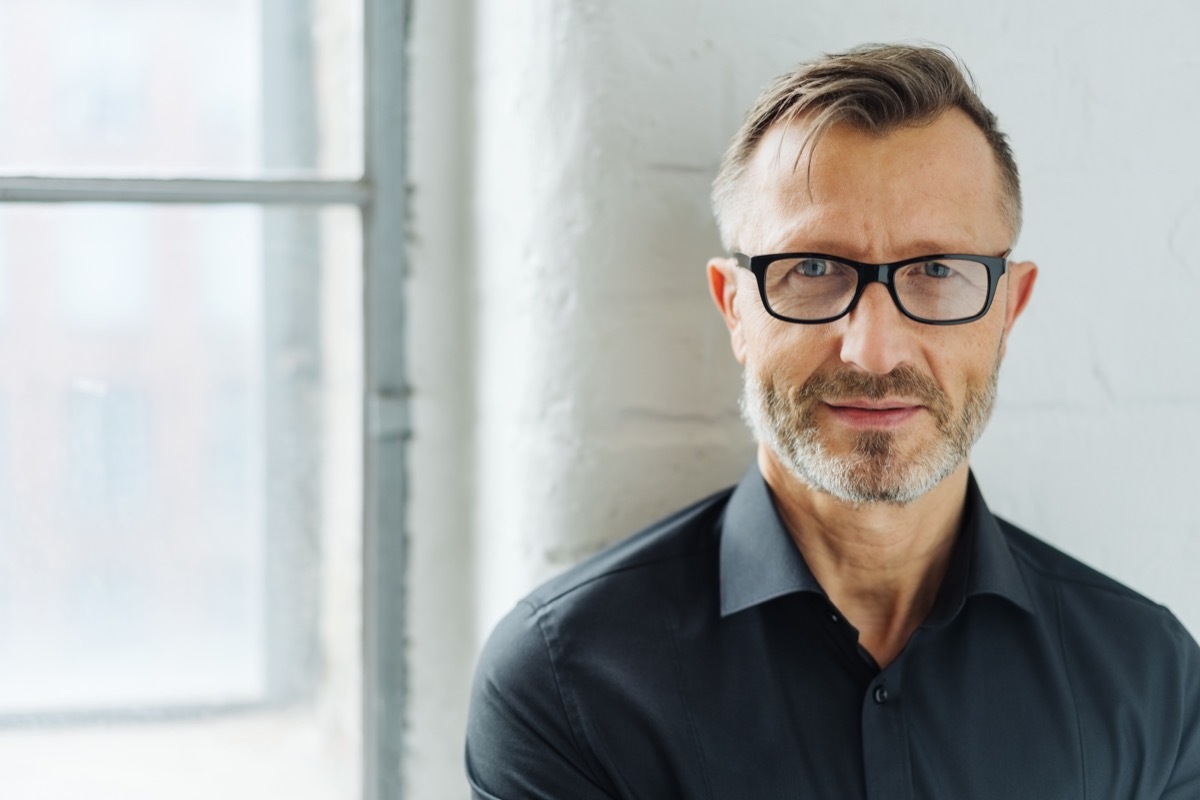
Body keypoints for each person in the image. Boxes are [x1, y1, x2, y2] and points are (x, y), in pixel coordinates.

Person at [465, 43, 1200, 799]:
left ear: (1008, 308)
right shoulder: (569, 683)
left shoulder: (1150, 681)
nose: (874, 351)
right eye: (813, 269)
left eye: (937, 271)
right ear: (735, 309)